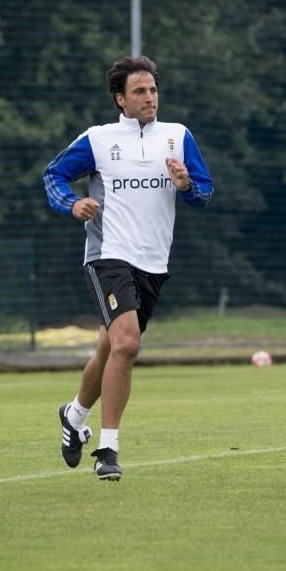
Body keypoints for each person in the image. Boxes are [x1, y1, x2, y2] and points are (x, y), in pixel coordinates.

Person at [43, 55, 214, 481]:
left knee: (110, 347)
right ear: (121, 99)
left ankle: (75, 415)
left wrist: (186, 185)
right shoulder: (98, 139)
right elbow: (53, 176)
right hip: (109, 255)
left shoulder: (177, 137)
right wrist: (73, 204)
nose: (149, 97)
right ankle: (108, 449)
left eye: (153, 90)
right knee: (127, 344)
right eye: (139, 91)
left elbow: (205, 193)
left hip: (154, 262)